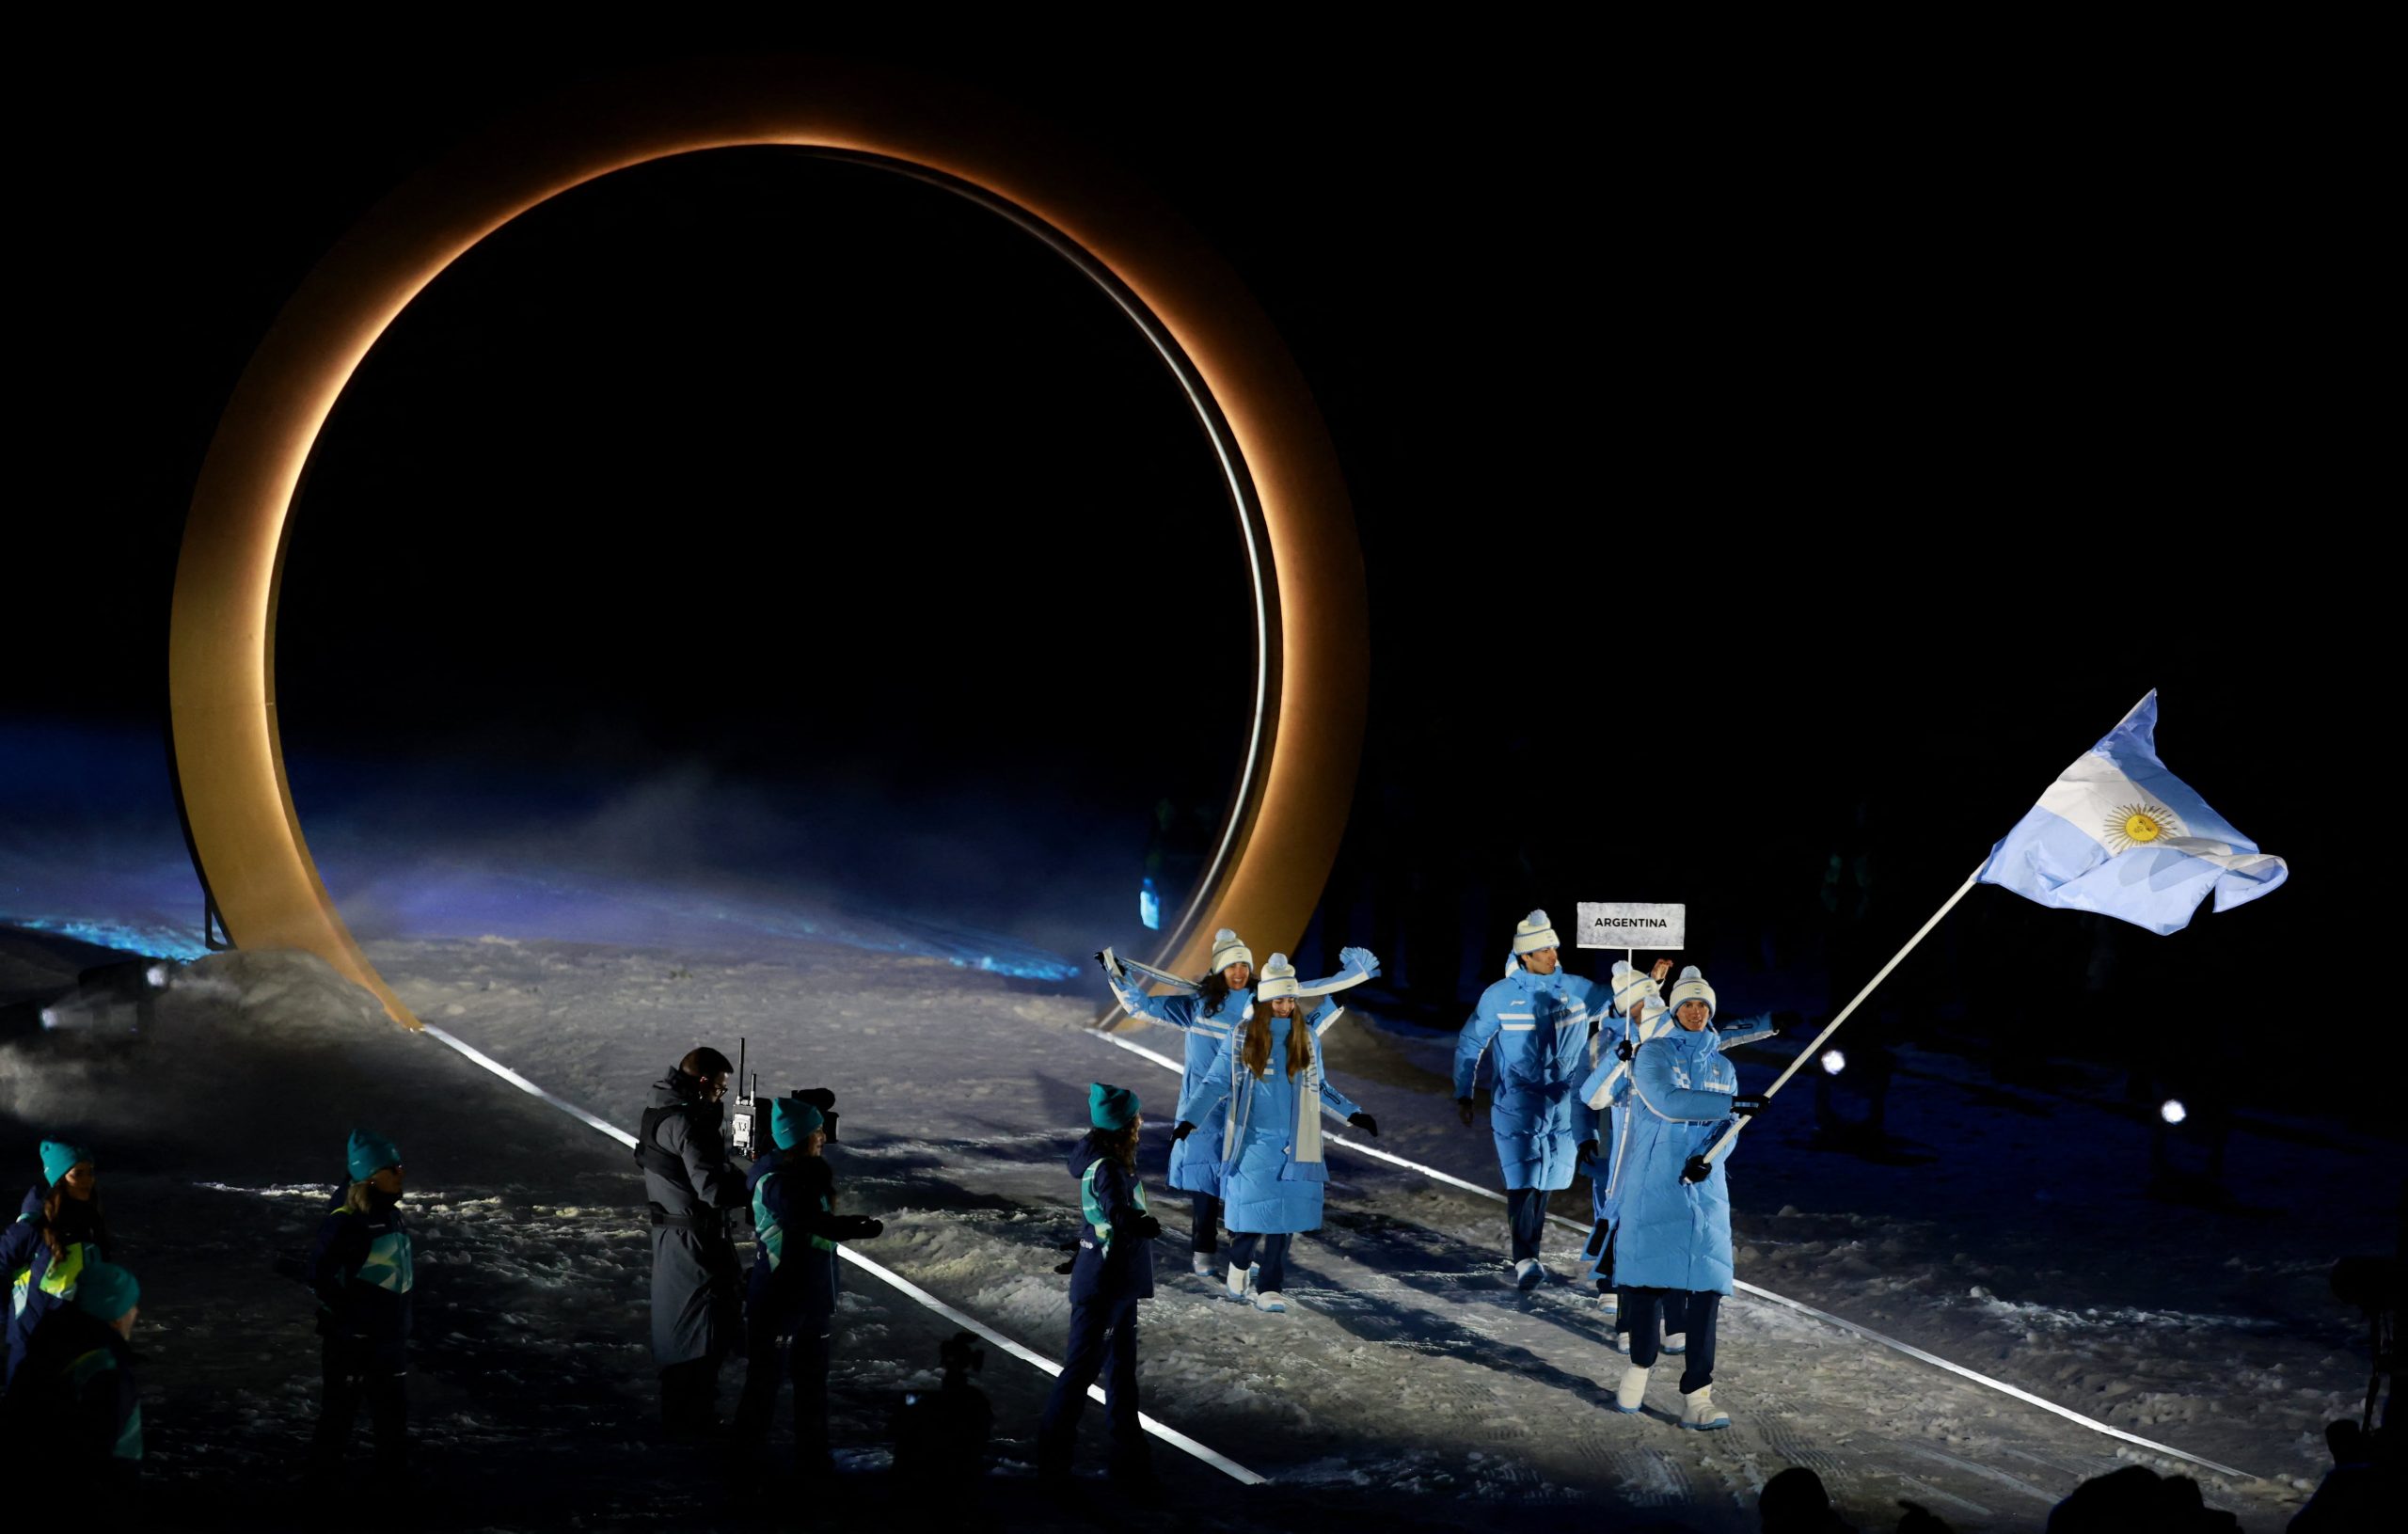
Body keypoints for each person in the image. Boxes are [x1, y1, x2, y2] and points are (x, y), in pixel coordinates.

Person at [1099, 932, 1376, 1278]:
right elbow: (1141, 1006)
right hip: (1207, 1109)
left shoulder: (1260, 1005)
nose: (1240, 971)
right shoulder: (1197, 1006)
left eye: (1244, 964)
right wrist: (1117, 974)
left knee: (1243, 1187)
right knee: (1206, 1182)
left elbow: (1299, 1033)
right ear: (1219, 971)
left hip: (1247, 1108)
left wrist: (1334, 1002)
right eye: (1232, 966)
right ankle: (1203, 1250)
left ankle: (1239, 1254)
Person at [1580, 962, 1781, 1351]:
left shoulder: (1667, 1035)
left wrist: (1767, 1023)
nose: (1642, 1008)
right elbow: (1592, 1095)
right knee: (1629, 1236)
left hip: (1670, 1153)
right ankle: (1628, 1323)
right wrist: (1617, 1061)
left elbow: (1719, 1034)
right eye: (1634, 1003)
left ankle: (1675, 1324)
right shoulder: (1615, 1041)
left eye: (1647, 999)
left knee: (1674, 1235)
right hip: (1631, 1154)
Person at [1610, 964, 1768, 1430]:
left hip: (1704, 1190)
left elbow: (1730, 1128)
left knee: (1705, 1293)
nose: (1696, 1012)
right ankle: (1640, 1367)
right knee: (1648, 1287)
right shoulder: (1652, 1054)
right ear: (1675, 1009)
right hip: (1656, 1184)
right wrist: (1731, 1104)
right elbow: (1667, 1101)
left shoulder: (1724, 1067)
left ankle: (1698, 1396)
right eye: (1688, 1004)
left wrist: (1711, 1156)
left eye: (1703, 1005)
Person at [1174, 954, 1379, 1313]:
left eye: (1290, 1000)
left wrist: (1353, 1113)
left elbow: (1319, 1085)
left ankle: (1270, 1287)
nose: (1285, 1006)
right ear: (1265, 1000)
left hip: (1296, 1142)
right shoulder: (1242, 1035)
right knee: (1252, 1219)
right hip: (1252, 1142)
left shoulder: (1306, 1037)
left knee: (1286, 1220)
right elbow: (1215, 1082)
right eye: (1279, 1000)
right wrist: (1190, 1119)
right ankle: (1239, 1264)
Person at [1453, 910, 1617, 1287]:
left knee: (1547, 1179)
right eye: (1543, 950)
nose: (1552, 955)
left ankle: (1530, 1252)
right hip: (1517, 1101)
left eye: (1553, 948)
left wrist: (1651, 981)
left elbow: (1618, 1001)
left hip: (1563, 1102)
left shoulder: (1577, 989)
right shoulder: (1500, 995)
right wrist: (1464, 1092)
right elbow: (1471, 1042)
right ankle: (1525, 1258)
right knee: (1523, 1177)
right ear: (1525, 955)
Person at [734, 1095, 883, 1480]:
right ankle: (746, 1464)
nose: (823, 1137)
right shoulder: (777, 1181)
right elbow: (807, 1220)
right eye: (817, 1130)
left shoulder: (797, 1174)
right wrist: (853, 1226)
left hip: (809, 1297)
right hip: (781, 1298)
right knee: (766, 1383)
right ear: (798, 1137)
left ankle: (812, 1459)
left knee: (811, 1383)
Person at [1036, 1083, 1161, 1491]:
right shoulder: (1108, 1167)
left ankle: (1130, 1459)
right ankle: (1052, 1461)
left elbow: (1098, 1217)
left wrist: (1085, 1244)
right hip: (1106, 1284)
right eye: (1136, 1116)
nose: (1141, 1121)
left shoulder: (1107, 1161)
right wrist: (1136, 1223)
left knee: (1121, 1374)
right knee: (1082, 1372)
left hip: (1117, 1282)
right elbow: (1114, 1209)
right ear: (1125, 1124)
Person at [640, 1046, 749, 1440]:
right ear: (703, 1082)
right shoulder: (687, 1124)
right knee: (701, 1328)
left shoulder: (659, 1113)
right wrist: (756, 1182)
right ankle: (693, 1424)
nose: (721, 1096)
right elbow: (713, 1191)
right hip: (695, 1242)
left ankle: (683, 1417)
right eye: (719, 1088)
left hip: (675, 1237)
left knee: (682, 1329)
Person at [308, 1129, 414, 1476]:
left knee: (393, 1424)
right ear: (370, 1176)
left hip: (389, 1341)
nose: (401, 1173)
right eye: (392, 1168)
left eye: (400, 1166)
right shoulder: (346, 1222)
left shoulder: (391, 1215)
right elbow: (320, 1275)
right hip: (353, 1344)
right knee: (338, 1421)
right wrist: (352, 1322)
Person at [1, 1257, 142, 1487]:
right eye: (131, 1304)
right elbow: (97, 1457)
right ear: (116, 1315)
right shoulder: (104, 1369)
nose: (136, 1311)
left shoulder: (45, 1346)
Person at [1, 1139, 112, 1386]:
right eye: (77, 1174)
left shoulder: (89, 1220)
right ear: (59, 1179)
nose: (87, 1180)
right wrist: (6, 1318)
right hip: (33, 1343)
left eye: (90, 1172)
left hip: (76, 1340)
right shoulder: (35, 1226)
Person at [890, 1331, 994, 1496]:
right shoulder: (976, 1401)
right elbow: (983, 1437)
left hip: (927, 1483)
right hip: (961, 1481)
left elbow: (895, 1431)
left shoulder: (919, 1402)